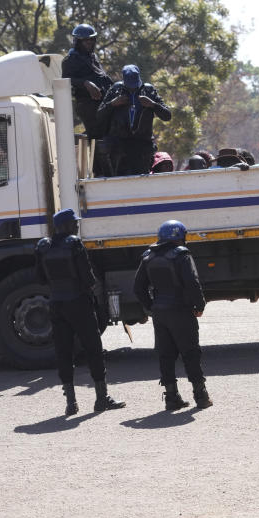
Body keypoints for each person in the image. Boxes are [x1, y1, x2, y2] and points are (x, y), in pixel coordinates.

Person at [35, 208, 124, 415]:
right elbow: (89, 278)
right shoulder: (74, 243)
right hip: (78, 302)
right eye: (74, 223)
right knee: (93, 349)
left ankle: (71, 403)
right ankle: (102, 399)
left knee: (63, 352)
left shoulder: (43, 247)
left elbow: (39, 278)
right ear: (65, 226)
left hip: (57, 304)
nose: (76, 226)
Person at [133, 220, 212, 410]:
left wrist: (152, 307)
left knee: (165, 355)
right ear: (180, 237)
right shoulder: (181, 255)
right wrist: (199, 305)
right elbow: (192, 283)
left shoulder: (148, 256)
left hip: (160, 313)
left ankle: (171, 397)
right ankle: (200, 396)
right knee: (190, 352)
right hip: (181, 310)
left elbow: (138, 288)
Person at [97, 65, 171, 176]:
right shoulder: (116, 89)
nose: (132, 89)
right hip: (119, 145)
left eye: (135, 86)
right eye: (129, 87)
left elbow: (167, 116)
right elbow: (99, 114)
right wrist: (113, 103)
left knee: (141, 183)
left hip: (142, 146)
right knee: (120, 181)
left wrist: (152, 104)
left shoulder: (148, 90)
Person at [61, 24, 114, 177]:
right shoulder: (70, 60)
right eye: (85, 41)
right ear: (78, 42)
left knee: (110, 133)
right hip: (87, 104)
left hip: (103, 102)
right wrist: (86, 83)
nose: (89, 43)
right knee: (96, 138)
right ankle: (99, 172)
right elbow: (66, 80)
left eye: (91, 40)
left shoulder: (92, 57)